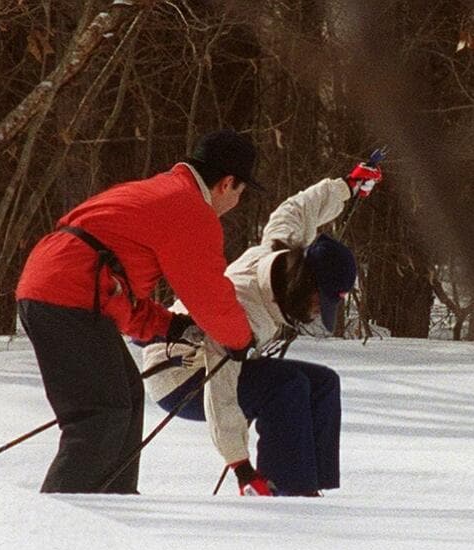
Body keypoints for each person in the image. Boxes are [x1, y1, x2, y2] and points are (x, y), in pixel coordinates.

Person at [16, 129, 261, 494]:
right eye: (241, 192)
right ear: (227, 183)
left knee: (126, 399)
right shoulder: (190, 209)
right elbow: (210, 295)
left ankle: (114, 504)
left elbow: (113, 285)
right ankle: (64, 519)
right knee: (101, 413)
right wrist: (240, 339)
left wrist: (170, 326)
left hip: (60, 286)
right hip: (68, 295)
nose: (237, 202)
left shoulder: (160, 192)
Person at [142, 160, 382, 496]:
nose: (317, 310)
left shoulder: (283, 251)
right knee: (286, 385)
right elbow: (220, 391)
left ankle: (311, 485)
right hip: (178, 376)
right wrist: (241, 468)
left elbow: (298, 208)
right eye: (319, 300)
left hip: (217, 361)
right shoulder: (242, 310)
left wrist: (346, 186)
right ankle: (286, 489)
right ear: (304, 283)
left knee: (323, 382)